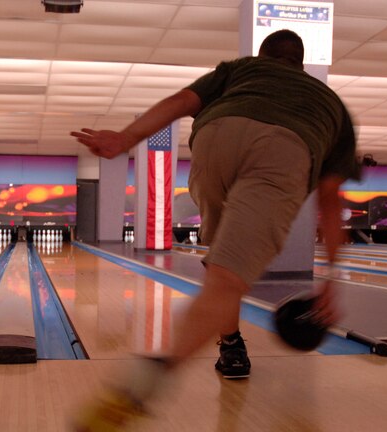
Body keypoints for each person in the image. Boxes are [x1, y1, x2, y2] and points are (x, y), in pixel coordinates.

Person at [69, 29, 360, 431]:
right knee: (227, 278)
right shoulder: (332, 105)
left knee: (220, 263)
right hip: (286, 149)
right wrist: (331, 276)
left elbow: (181, 101)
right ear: (303, 62)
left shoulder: (241, 70)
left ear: (263, 55)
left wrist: (127, 137)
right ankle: (147, 380)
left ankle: (231, 344)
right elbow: (330, 199)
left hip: (214, 138)